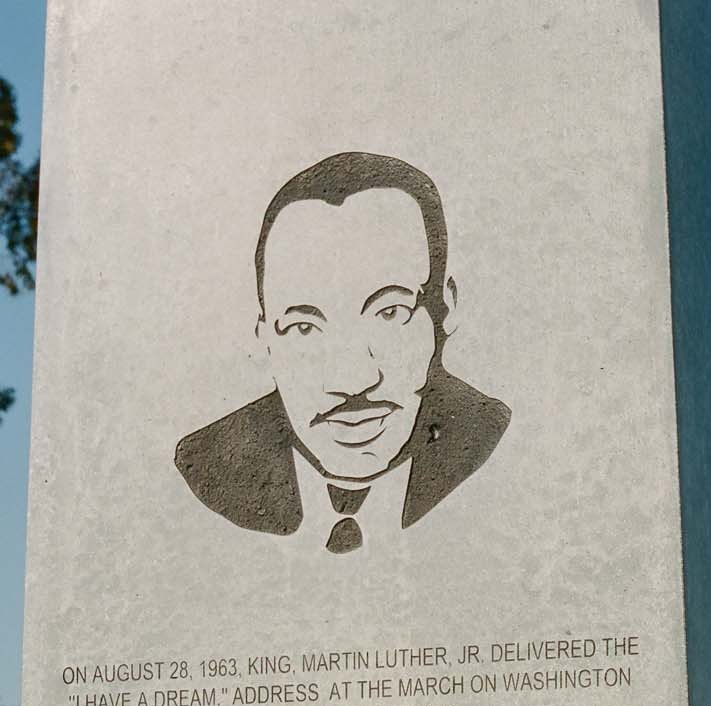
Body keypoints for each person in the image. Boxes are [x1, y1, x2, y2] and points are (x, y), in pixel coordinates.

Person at [173, 151, 509, 553]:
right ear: (264, 337)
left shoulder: (495, 451)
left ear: (447, 310)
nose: (353, 380)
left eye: (389, 313)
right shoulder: (211, 466)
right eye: (304, 327)